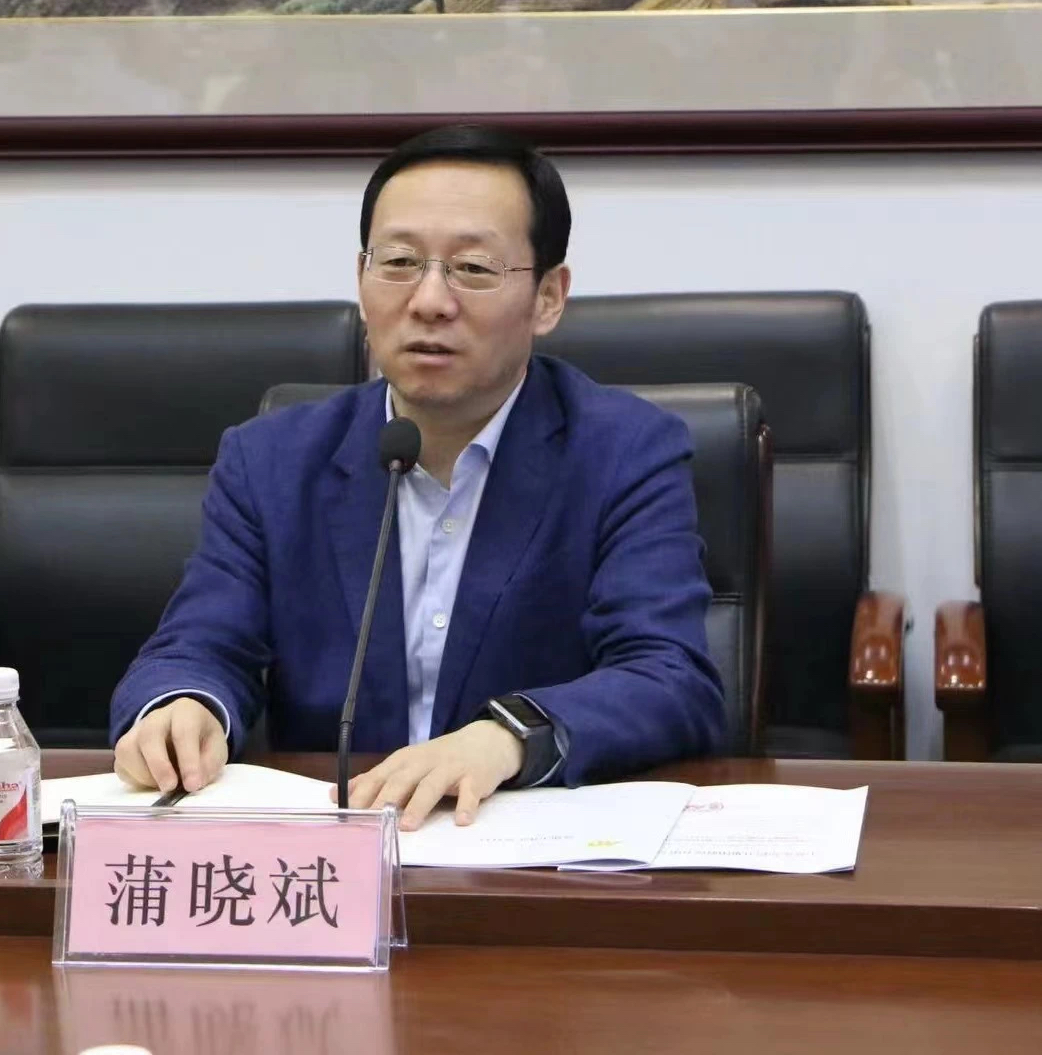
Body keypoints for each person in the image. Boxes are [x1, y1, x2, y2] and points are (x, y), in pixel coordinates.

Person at [111, 125, 724, 828]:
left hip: (526, 847)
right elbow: (199, 644)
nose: (429, 300)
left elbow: (669, 677)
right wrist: (182, 703)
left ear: (549, 298)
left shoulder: (624, 451)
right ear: (361, 278)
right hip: (334, 848)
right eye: (399, 262)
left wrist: (509, 737)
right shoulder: (272, 459)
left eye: (473, 268)